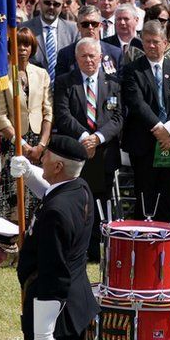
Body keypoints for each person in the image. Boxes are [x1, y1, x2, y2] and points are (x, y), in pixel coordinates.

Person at [9, 135, 99, 340]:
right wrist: (30, 174)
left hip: (53, 316)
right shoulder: (80, 189)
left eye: (44, 157)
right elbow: (54, 193)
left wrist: (43, 329)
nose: (40, 157)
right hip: (74, 310)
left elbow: (53, 276)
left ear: (58, 166)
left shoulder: (55, 214)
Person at [53, 37, 123, 262]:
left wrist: (98, 139)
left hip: (104, 154)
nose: (89, 60)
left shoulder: (113, 84)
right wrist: (85, 138)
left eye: (93, 55)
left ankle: (98, 249)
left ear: (101, 58)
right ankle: (77, 248)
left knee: (102, 203)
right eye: (83, 56)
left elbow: (119, 117)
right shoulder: (65, 82)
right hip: (76, 154)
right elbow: (63, 115)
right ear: (76, 58)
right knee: (77, 202)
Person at [121, 20, 170, 222]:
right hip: (143, 142)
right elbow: (136, 102)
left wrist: (168, 128)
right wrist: (159, 128)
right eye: (147, 41)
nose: (151, 46)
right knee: (144, 193)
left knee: (167, 194)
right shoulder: (133, 70)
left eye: (156, 42)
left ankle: (166, 241)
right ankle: (143, 241)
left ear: (165, 43)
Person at [0, 26, 52, 222]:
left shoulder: (41, 73)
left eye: (27, 44)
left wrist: (41, 145)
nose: (23, 49)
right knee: (13, 197)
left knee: (38, 196)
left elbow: (48, 112)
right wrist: (23, 145)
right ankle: (10, 245)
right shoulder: (1, 75)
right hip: (14, 143)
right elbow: (0, 116)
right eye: (18, 44)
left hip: (39, 145)